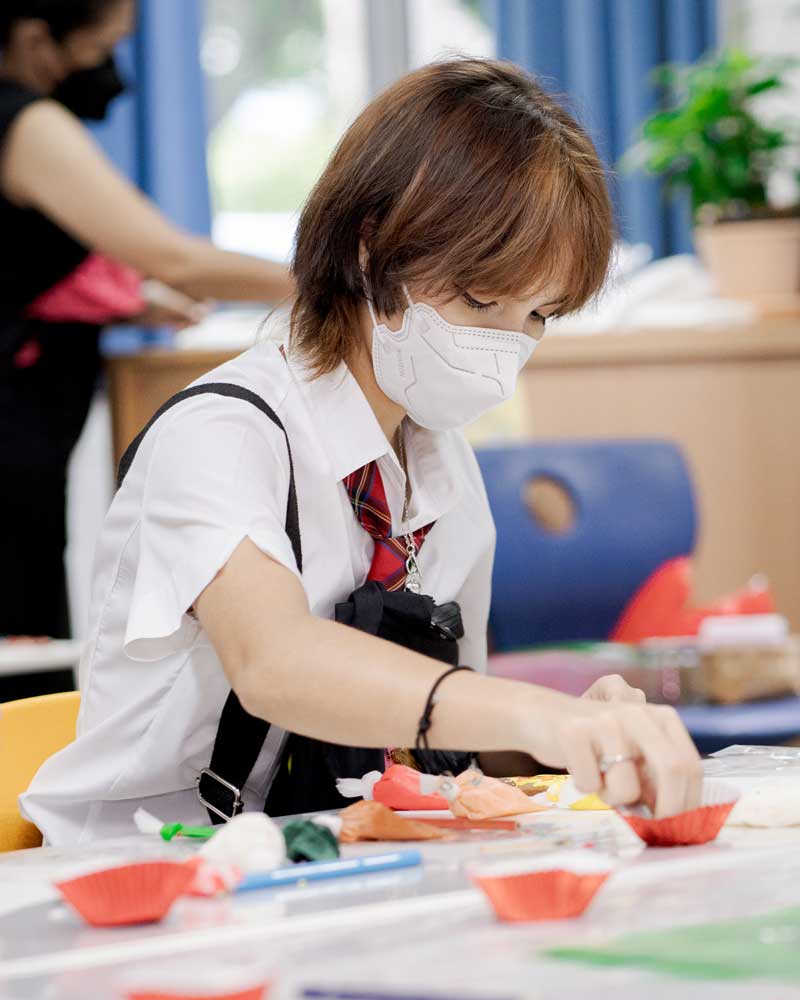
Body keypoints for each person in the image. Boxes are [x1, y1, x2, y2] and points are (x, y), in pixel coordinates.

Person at [21, 58, 702, 846]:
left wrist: (581, 734)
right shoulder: (223, 433)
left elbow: (440, 738)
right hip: (143, 869)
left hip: (314, 861)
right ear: (371, 247)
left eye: (538, 316)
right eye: (482, 298)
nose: (504, 348)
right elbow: (275, 662)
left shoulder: (439, 465)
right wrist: (534, 713)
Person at [0, 0, 294, 646]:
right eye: (102, 46)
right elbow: (176, 258)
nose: (110, 70)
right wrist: (326, 282)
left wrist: (129, 303)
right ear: (35, 40)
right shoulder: (27, 123)